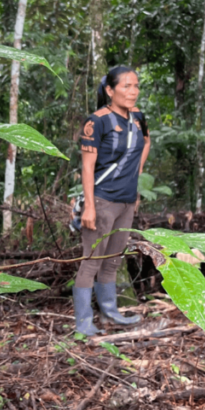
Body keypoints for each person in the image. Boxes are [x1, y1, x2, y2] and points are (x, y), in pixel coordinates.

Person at [73, 65, 150, 336]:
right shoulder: (97, 121)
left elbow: (146, 142)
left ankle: (110, 312)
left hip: (127, 202)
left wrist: (135, 174)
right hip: (102, 200)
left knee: (114, 260)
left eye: (136, 86)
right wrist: (90, 207)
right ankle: (83, 322)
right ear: (110, 90)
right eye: (126, 86)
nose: (133, 91)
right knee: (92, 261)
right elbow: (87, 167)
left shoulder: (138, 117)